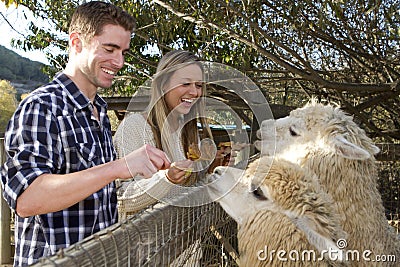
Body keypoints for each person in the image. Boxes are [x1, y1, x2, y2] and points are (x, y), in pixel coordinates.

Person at [0, 2, 171, 266]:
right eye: (109, 49)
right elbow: (27, 199)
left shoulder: (100, 112)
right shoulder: (42, 107)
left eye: (123, 52)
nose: (119, 62)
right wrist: (118, 167)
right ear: (77, 42)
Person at [114, 50, 238, 218]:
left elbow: (189, 193)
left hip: (184, 241)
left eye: (199, 85)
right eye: (185, 84)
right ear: (163, 85)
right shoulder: (134, 127)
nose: (194, 92)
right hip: (144, 242)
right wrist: (166, 179)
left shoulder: (188, 130)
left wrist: (213, 168)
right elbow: (122, 200)